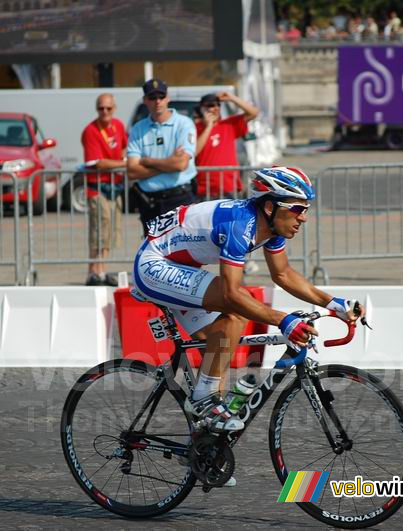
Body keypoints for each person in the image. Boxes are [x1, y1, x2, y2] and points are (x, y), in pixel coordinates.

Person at [132, 166, 364, 434]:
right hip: (154, 266)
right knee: (236, 311)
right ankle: (201, 401)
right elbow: (232, 294)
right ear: (270, 207)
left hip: (182, 268)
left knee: (218, 349)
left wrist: (334, 304)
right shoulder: (239, 224)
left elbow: (283, 273)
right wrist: (283, 320)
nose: (305, 218)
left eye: (306, 209)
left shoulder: (270, 227)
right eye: (298, 209)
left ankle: (206, 458)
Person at [127, 79, 197, 234]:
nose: (157, 101)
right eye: (152, 97)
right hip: (150, 202)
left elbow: (181, 165)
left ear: (168, 97)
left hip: (180, 198)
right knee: (153, 254)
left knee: (184, 253)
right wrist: (168, 164)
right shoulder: (138, 129)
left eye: (161, 96)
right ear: (145, 100)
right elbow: (132, 171)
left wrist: (148, 161)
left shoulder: (184, 124)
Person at [81, 93, 128, 286]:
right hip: (98, 188)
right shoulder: (91, 130)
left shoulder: (118, 125)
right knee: (99, 230)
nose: (105, 112)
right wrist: (123, 164)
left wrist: (122, 161)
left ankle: (102, 270)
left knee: (109, 232)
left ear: (114, 108)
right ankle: (93, 272)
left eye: (108, 108)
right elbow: (98, 163)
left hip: (114, 186)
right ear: (97, 109)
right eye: (101, 108)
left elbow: (125, 148)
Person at [194, 92, 258, 200]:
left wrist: (232, 98)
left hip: (229, 187)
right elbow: (193, 151)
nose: (214, 108)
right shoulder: (194, 128)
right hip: (205, 189)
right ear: (201, 109)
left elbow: (253, 113)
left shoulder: (228, 124)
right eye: (210, 106)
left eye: (217, 105)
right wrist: (209, 126)